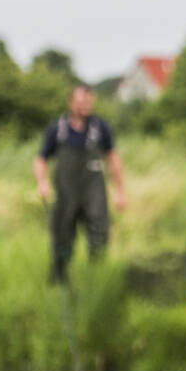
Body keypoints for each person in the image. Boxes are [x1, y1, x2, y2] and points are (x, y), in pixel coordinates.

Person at [33, 85, 128, 283]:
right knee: (62, 237)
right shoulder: (57, 129)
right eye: (80, 102)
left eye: (88, 102)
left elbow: (114, 159)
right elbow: (41, 159)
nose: (85, 106)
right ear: (71, 102)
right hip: (66, 195)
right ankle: (61, 281)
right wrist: (42, 183)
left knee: (99, 236)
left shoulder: (101, 128)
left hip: (94, 195)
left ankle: (96, 280)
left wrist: (120, 191)